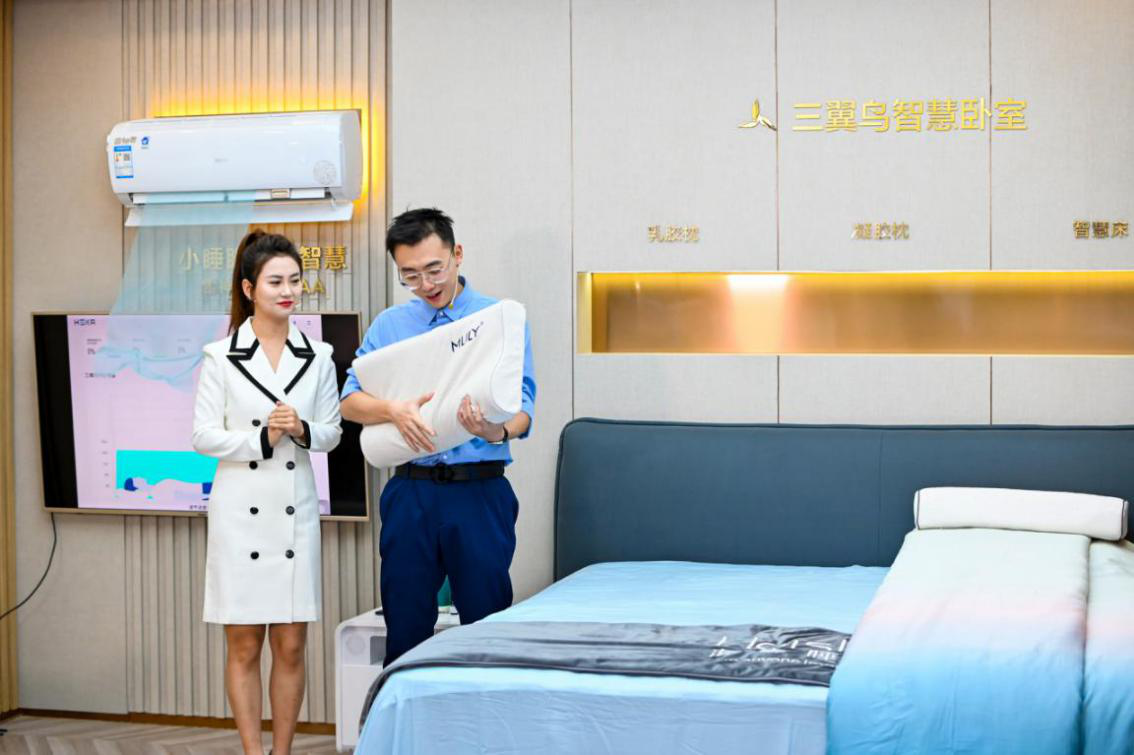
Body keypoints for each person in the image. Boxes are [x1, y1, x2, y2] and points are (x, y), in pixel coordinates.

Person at [340, 207, 536, 665]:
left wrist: (494, 430)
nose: (425, 284)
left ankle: (485, 712)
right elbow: (349, 401)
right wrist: (392, 410)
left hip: (479, 490)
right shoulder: (390, 325)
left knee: (486, 629)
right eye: (410, 275)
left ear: (457, 254)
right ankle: (406, 711)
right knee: (405, 625)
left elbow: (524, 408)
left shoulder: (497, 319)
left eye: (434, 269)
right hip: (411, 492)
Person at [192, 230, 342, 755]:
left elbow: (332, 433)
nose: (288, 291)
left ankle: (283, 751)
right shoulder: (220, 356)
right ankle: (253, 751)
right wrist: (261, 438)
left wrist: (301, 429)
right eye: (276, 282)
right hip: (239, 515)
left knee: (292, 644)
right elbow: (203, 436)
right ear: (249, 288)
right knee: (244, 644)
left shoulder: (318, 355)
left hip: (294, 513)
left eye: (295, 281)